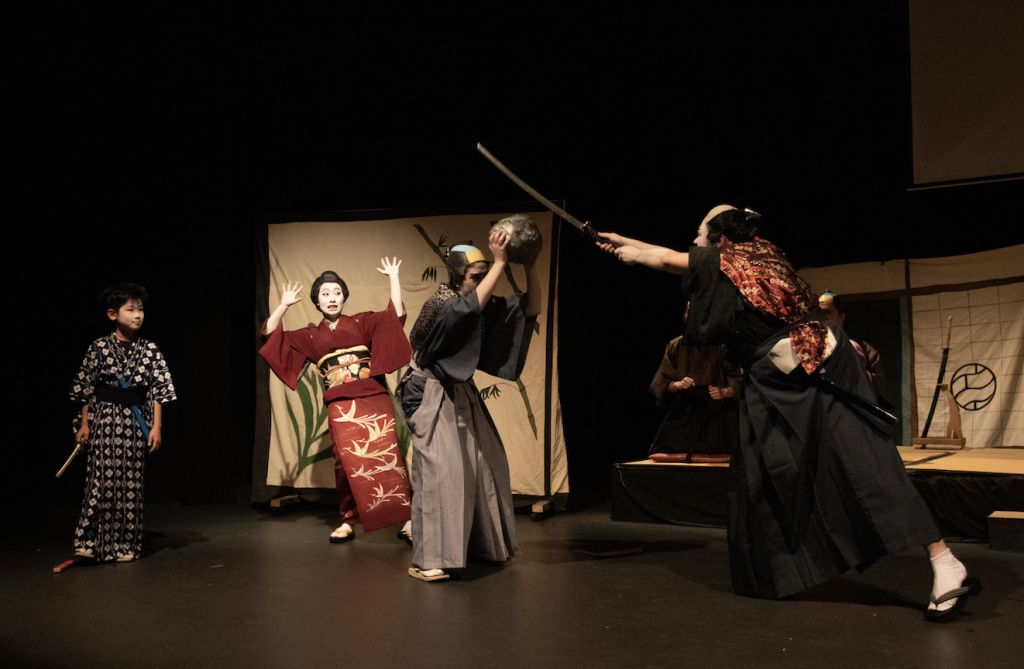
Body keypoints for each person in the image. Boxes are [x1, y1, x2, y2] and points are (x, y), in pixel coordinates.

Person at [599, 205, 978, 621]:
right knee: (765, 469)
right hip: (777, 376)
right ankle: (784, 572)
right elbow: (670, 256)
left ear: (721, 239)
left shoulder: (740, 258)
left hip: (812, 366)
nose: (693, 239)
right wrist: (622, 240)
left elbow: (665, 259)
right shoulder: (750, 255)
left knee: (860, 458)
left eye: (699, 231)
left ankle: (944, 560)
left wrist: (632, 254)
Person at [399, 226, 541, 582]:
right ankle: (429, 559)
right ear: (457, 276)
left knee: (485, 463)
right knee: (442, 473)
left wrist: (530, 265)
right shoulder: (441, 302)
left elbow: (530, 309)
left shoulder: (480, 303)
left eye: (485, 274)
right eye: (476, 276)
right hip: (427, 391)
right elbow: (463, 311)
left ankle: (482, 546)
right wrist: (500, 262)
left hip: (459, 389)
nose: (483, 281)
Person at [259, 260, 412, 544]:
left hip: (373, 397)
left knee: (387, 455)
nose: (332, 298)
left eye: (337, 293)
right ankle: (348, 520)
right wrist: (283, 306)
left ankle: (406, 518)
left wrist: (394, 277)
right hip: (340, 403)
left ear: (344, 298)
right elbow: (269, 335)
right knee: (345, 463)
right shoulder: (309, 336)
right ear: (317, 301)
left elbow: (395, 316)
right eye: (325, 294)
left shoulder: (362, 322)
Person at [70, 283, 177, 562]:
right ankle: (88, 542)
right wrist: (84, 424)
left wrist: (156, 427)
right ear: (112, 314)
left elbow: (159, 391)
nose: (137, 315)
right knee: (100, 481)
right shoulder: (99, 347)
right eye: (130, 309)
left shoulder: (150, 349)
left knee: (131, 484)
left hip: (135, 422)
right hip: (104, 420)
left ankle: (124, 545)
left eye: (140, 309)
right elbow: (85, 388)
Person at [648, 335, 740, 463]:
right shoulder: (676, 345)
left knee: (716, 445)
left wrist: (723, 392)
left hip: (716, 409)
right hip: (685, 407)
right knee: (667, 446)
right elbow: (661, 382)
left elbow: (740, 382)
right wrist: (677, 384)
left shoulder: (723, 345)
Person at [818, 290, 891, 409]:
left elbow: (881, 387)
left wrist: (854, 371)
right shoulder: (809, 348)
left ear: (842, 316)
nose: (822, 317)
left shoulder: (861, 347)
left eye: (827, 312)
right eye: (819, 313)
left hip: (854, 408)